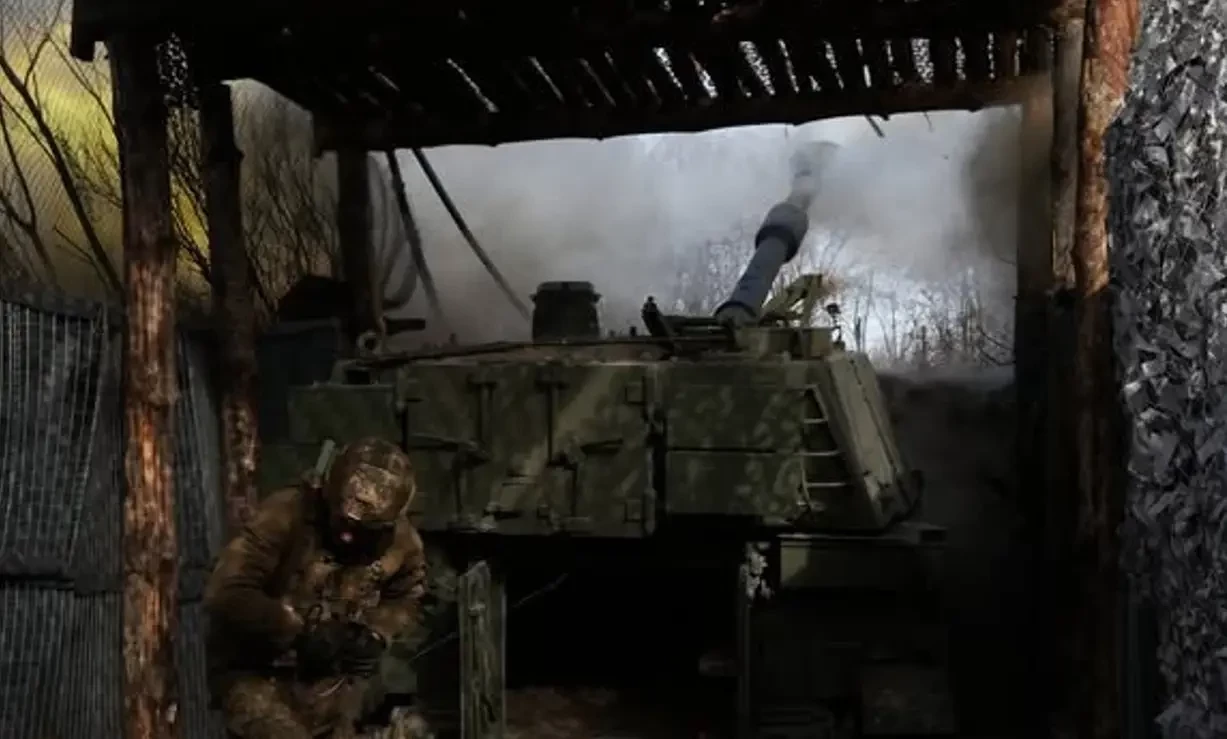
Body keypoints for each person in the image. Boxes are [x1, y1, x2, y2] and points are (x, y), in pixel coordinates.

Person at [205, 437, 428, 739]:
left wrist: (375, 634)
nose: (348, 537)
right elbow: (226, 590)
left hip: (330, 688)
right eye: (342, 523)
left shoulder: (400, 544)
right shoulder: (286, 514)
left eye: (363, 531)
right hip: (255, 672)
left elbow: (407, 598)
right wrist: (295, 630)